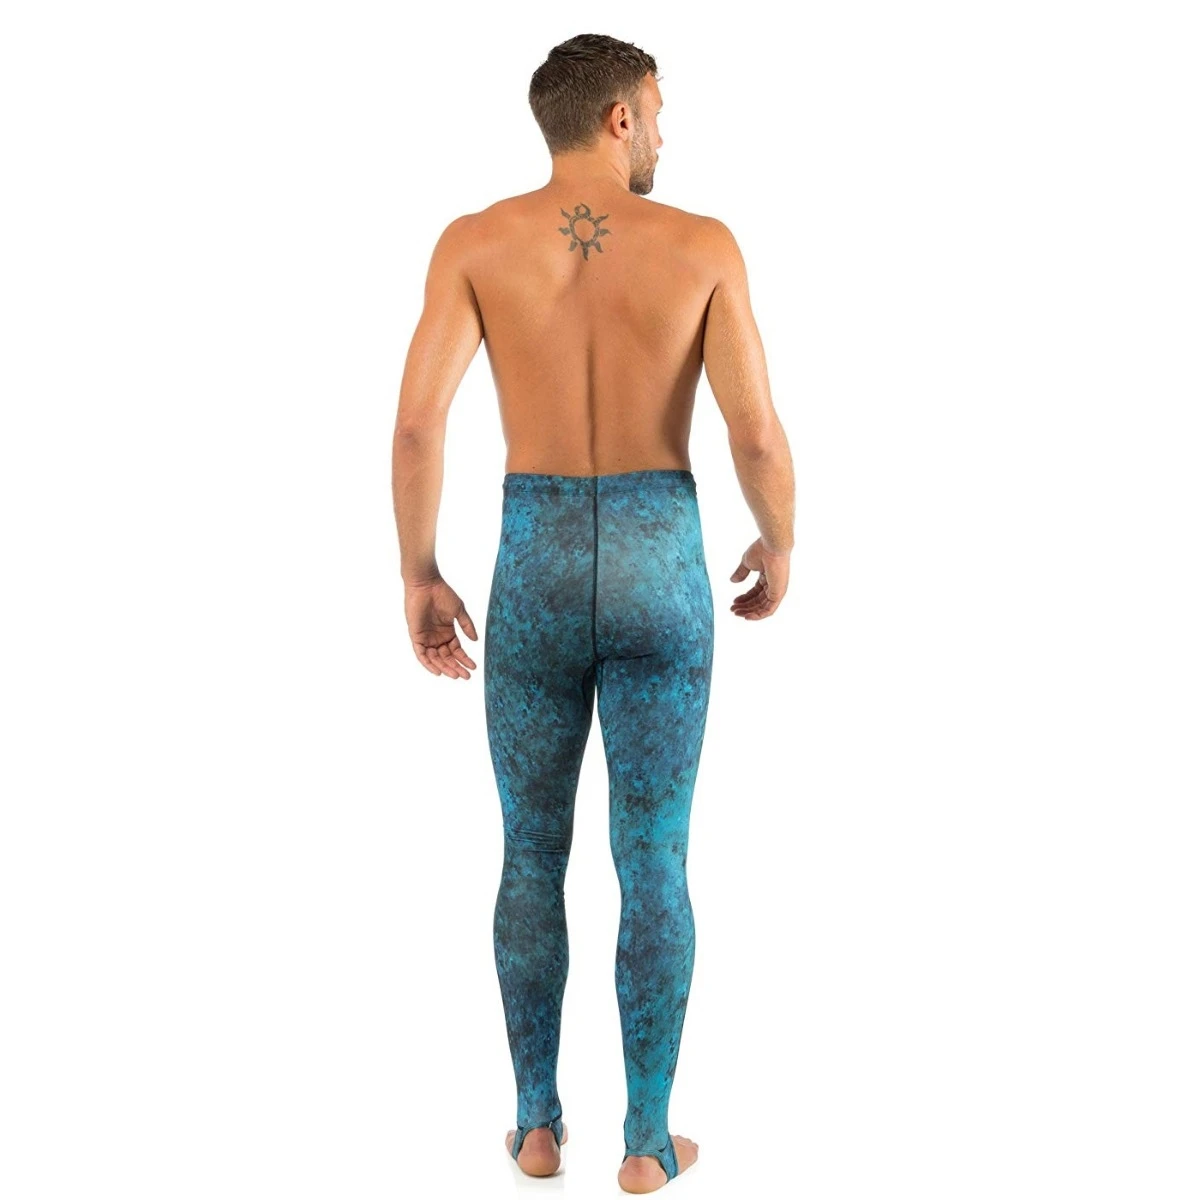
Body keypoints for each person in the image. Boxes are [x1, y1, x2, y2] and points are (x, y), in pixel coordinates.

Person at [391, 32, 795, 1194]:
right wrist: (779, 538)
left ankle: (534, 1126)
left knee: (530, 853)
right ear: (619, 117)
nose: (665, 130)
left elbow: (418, 426)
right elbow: (754, 434)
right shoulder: (702, 247)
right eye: (658, 109)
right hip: (661, 563)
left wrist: (419, 571)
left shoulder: (475, 244)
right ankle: (646, 1143)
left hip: (540, 564)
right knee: (653, 858)